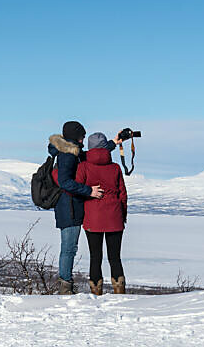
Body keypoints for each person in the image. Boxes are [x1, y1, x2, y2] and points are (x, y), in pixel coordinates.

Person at [48, 121, 121, 295]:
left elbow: (91, 156)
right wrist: (89, 191)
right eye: (81, 136)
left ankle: (66, 285)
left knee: (70, 247)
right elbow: (65, 182)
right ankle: (65, 287)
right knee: (69, 247)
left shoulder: (72, 152)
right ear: (75, 137)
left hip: (72, 205)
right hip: (68, 207)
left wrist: (113, 143)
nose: (83, 140)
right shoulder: (67, 155)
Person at [76, 132, 128, 295]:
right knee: (115, 257)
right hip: (114, 218)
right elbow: (123, 194)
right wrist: (122, 215)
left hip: (93, 218)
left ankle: (96, 292)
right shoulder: (115, 168)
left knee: (95, 257)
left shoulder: (83, 166)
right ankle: (119, 291)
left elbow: (77, 189)